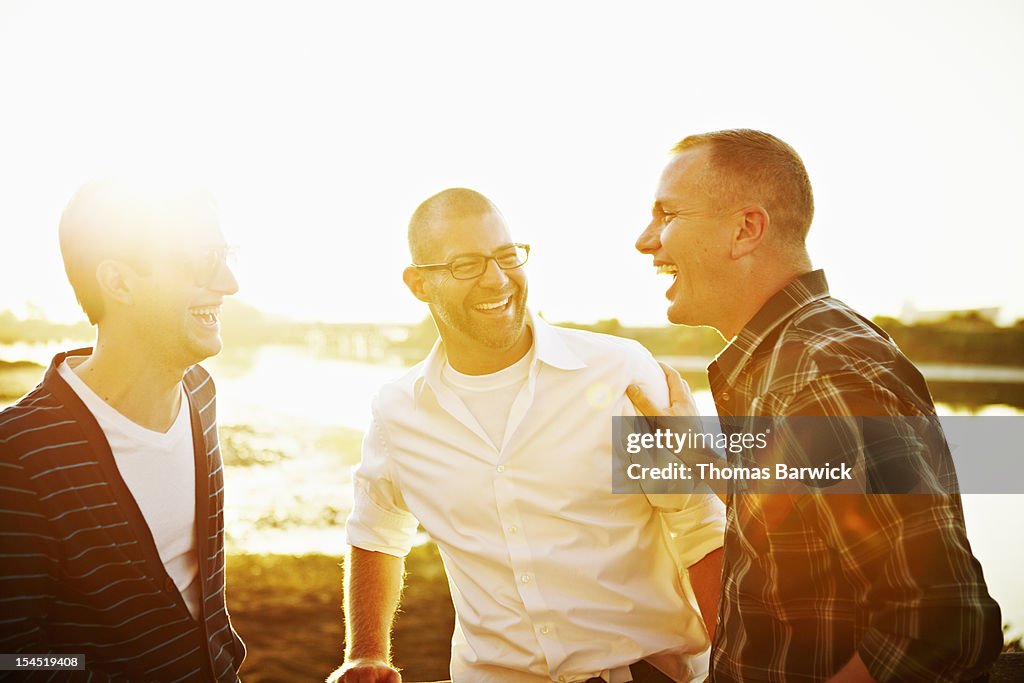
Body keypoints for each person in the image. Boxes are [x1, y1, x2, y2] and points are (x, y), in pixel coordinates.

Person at [629, 129, 1002, 682]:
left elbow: (941, 623)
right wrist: (697, 452)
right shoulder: (789, 356)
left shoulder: (827, 370)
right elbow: (799, 520)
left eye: (667, 214)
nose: (645, 240)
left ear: (745, 229)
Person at [329, 188, 726, 683]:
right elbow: (375, 531)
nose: (496, 280)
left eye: (505, 256)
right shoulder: (398, 410)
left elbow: (701, 525)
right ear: (419, 284)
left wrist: (734, 669)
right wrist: (366, 652)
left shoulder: (618, 372)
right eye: (465, 265)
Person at [0, 177, 246, 681]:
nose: (228, 283)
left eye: (225, 254)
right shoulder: (18, 453)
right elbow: (13, 658)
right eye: (202, 259)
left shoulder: (200, 392)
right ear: (120, 282)